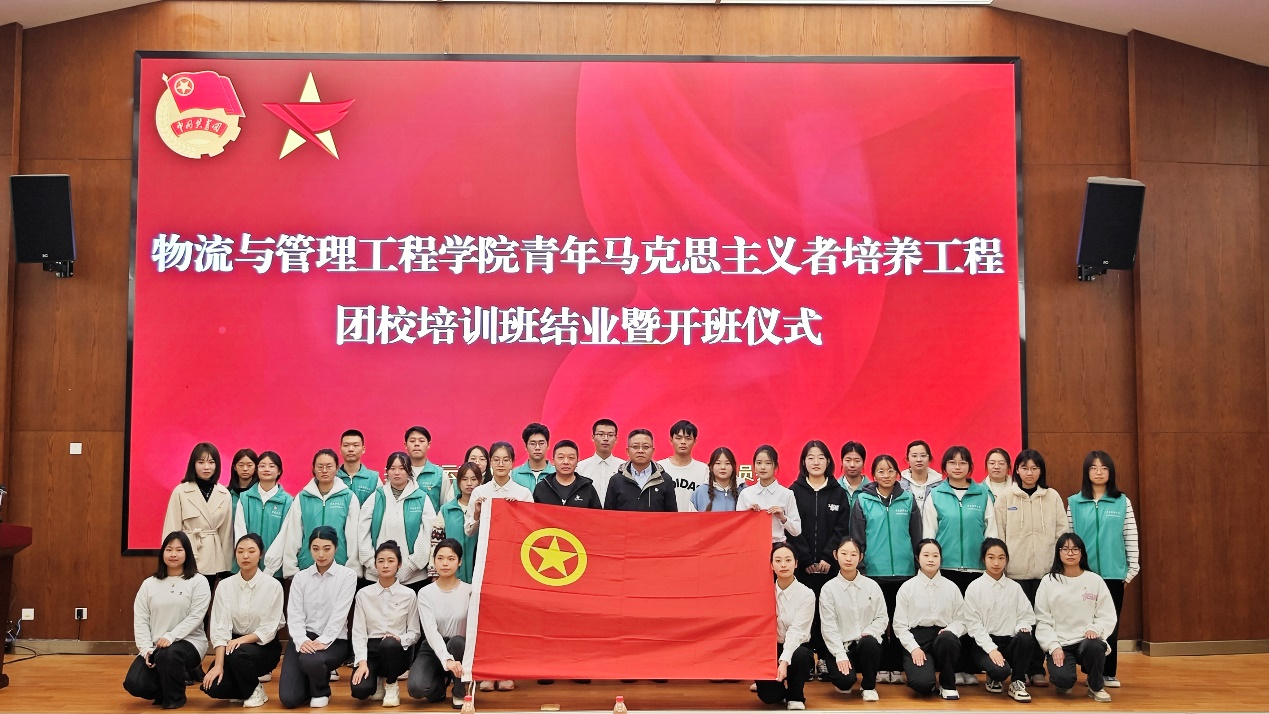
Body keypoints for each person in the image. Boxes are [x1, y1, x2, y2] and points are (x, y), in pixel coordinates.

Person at [993, 449, 1066, 687]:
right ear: (1017, 470)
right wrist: (1002, 567)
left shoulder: (1052, 497)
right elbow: (999, 534)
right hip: (1015, 573)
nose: (1029, 473)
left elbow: (1061, 532)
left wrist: (1057, 567)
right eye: (1024, 468)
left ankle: (1037, 669)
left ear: (1041, 471)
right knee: (1019, 624)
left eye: (1034, 468)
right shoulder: (1006, 497)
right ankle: (1019, 669)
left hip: (1046, 573)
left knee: (1042, 621)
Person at [1066, 450, 1138, 688]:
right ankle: (1089, 669)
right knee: (1084, 622)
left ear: (1111, 472)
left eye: (1104, 468)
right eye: (1093, 468)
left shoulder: (1122, 501)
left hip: (1113, 574)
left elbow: (1130, 536)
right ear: (1086, 472)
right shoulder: (1074, 502)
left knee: (1109, 623)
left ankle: (1107, 672)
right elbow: (1068, 539)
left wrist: (1130, 571)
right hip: (1083, 575)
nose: (1099, 472)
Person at [848, 454, 921, 684]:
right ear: (873, 475)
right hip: (874, 572)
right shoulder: (862, 500)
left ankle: (896, 666)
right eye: (881, 471)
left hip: (904, 572)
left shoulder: (908, 499)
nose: (886, 475)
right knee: (878, 623)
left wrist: (917, 563)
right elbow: (857, 538)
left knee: (900, 623)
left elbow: (916, 536)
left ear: (897, 474)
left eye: (890, 471)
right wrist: (861, 567)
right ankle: (879, 666)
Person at [124, 531, 210, 709]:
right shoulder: (149, 584)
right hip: (156, 646)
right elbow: (141, 619)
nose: (173, 554)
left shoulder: (198, 581)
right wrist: (146, 650)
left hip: (190, 642)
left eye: (179, 550)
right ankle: (166, 689)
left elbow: (196, 616)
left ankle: (175, 698)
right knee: (135, 683)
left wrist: (171, 636)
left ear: (187, 553)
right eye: (169, 549)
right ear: (162, 553)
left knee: (169, 654)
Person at [788, 440, 850, 681]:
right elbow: (791, 529)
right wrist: (804, 558)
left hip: (829, 567)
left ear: (828, 461)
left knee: (828, 614)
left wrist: (826, 557)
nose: (816, 462)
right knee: (803, 615)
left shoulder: (838, 493)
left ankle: (825, 658)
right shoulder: (793, 492)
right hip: (801, 567)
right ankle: (803, 661)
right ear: (803, 462)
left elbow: (841, 529)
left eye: (821, 457)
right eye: (811, 457)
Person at [201, 534, 285, 708]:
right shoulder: (225, 585)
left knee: (238, 652)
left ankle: (254, 690)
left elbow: (269, 629)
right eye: (240, 551)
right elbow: (220, 628)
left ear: (261, 554)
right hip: (231, 647)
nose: (245, 556)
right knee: (213, 687)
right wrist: (218, 665)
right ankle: (245, 688)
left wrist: (239, 641)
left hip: (264, 647)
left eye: (251, 551)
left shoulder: (273, 585)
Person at [279, 526, 357, 709]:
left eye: (326, 548)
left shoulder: (347, 576)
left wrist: (323, 640)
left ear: (336, 548)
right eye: (315, 549)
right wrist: (301, 640)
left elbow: (340, 614)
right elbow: (294, 614)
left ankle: (321, 690)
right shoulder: (300, 577)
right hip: (304, 638)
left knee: (311, 660)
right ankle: (310, 678)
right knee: (289, 699)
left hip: (334, 640)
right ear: (310, 549)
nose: (321, 554)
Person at [1035, 534, 1117, 703]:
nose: (1070, 553)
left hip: (1086, 640)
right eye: (1065, 549)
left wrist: (1095, 629)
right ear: (1058, 553)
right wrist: (1053, 646)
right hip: (1061, 643)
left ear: (1082, 553)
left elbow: (1107, 614)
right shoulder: (1048, 581)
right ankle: (1064, 679)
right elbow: (1042, 620)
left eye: (1075, 549)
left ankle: (1096, 686)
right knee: (1063, 681)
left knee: (1095, 645)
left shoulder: (1095, 580)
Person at [961, 538, 1038, 702]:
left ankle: (1017, 682)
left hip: (1009, 642)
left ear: (1007, 560)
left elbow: (1027, 616)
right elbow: (974, 625)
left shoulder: (1015, 587)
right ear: (984, 559)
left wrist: (1022, 627)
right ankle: (993, 676)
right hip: (983, 645)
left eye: (1001, 558)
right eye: (991, 557)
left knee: (1026, 638)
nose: (996, 563)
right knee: (1000, 672)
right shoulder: (974, 588)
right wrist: (991, 649)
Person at [264, 449, 361, 579]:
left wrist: (352, 569)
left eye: (329, 466)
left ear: (337, 468)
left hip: (339, 568)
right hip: (307, 566)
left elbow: (353, 536)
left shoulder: (348, 497)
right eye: (320, 467)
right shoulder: (302, 497)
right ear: (313, 469)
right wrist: (291, 567)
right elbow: (293, 533)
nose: (324, 470)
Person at [350, 541, 421, 707]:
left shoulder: (409, 594)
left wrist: (400, 639)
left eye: (391, 560)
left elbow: (415, 632)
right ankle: (376, 679)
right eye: (381, 561)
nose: (385, 565)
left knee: (389, 644)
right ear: (375, 565)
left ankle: (391, 684)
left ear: (399, 564)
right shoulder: (363, 594)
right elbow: (359, 632)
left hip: (397, 650)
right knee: (360, 691)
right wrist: (362, 662)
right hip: (371, 650)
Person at [893, 539, 965, 700]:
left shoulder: (952, 587)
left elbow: (962, 620)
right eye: (926, 555)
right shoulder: (907, 588)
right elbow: (899, 625)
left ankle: (948, 684)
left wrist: (950, 630)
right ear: (917, 558)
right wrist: (913, 648)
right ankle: (928, 679)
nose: (931, 559)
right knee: (922, 685)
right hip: (917, 639)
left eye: (935, 555)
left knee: (948, 639)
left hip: (943, 637)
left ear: (941, 558)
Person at [818, 537, 886, 702]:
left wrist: (869, 632)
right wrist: (840, 654)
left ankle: (869, 686)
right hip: (841, 646)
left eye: (853, 554)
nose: (848, 559)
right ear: (835, 555)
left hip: (865, 646)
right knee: (844, 683)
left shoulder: (872, 586)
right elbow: (829, 627)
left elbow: (882, 617)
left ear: (860, 557)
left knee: (869, 642)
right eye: (844, 554)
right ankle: (845, 677)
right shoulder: (828, 589)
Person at [358, 451, 438, 590]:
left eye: (402, 468)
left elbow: (427, 535)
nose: (397, 473)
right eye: (392, 468)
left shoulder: (422, 498)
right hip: (376, 577)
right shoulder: (376, 497)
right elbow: (362, 532)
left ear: (409, 471)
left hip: (414, 578)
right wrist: (374, 564)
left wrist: (410, 567)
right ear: (387, 471)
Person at [922, 446, 997, 593]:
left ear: (970, 466)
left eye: (962, 463)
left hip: (977, 567)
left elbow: (991, 531)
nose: (957, 467)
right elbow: (929, 533)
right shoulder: (935, 495)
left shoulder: (982, 494)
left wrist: (990, 559)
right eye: (952, 462)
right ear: (944, 466)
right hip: (944, 567)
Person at [410, 539, 474, 702]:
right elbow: (430, 631)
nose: (445, 563)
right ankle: (441, 683)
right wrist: (446, 660)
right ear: (434, 561)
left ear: (460, 562)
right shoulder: (425, 593)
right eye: (440, 558)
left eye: (451, 559)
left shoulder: (469, 591)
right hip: (433, 645)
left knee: (457, 642)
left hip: (460, 647)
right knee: (416, 688)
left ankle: (459, 691)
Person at [755, 543, 815, 711]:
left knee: (801, 655)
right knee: (769, 698)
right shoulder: (764, 592)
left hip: (797, 647)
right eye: (778, 560)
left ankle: (796, 695)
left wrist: (783, 661)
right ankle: (777, 688)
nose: (783, 565)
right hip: (771, 648)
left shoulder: (806, 594)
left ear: (796, 563)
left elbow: (797, 632)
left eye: (788, 560)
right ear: (771, 565)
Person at [163, 442, 234, 577]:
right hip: (186, 553)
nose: (206, 467)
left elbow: (226, 534)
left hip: (213, 557)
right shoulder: (181, 491)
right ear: (193, 464)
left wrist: (226, 566)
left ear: (217, 465)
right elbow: (171, 528)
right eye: (201, 462)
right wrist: (171, 556)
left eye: (211, 462)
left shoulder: (224, 494)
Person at [233, 451, 293, 576]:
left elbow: (284, 536)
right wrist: (246, 556)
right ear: (257, 469)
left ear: (279, 471)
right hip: (246, 567)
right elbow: (239, 530)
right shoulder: (245, 498)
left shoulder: (288, 501)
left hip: (274, 570)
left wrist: (270, 568)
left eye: (271, 466)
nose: (266, 469)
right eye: (262, 465)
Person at [465, 442, 534, 535]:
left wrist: (518, 510)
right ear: (490, 462)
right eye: (496, 460)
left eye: (506, 460)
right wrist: (477, 514)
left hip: (514, 543)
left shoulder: (524, 493)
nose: (501, 464)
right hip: (486, 543)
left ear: (512, 463)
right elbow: (468, 532)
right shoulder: (479, 492)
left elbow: (530, 528)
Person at [736, 445, 800, 542]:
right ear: (754, 466)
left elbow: (797, 531)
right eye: (759, 463)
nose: (763, 467)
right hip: (752, 545)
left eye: (768, 463)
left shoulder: (786, 494)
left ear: (775, 466)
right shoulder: (745, 494)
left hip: (777, 546)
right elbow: (738, 529)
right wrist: (747, 515)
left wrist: (783, 518)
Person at [604, 429, 678, 512]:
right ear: (628, 451)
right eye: (635, 447)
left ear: (653, 451)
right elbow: (608, 514)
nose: (640, 451)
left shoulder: (664, 479)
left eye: (646, 447)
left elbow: (671, 515)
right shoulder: (616, 480)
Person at [438, 463, 481, 583]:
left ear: (480, 482)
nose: (469, 483)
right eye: (464, 479)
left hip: (479, 574)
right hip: (451, 574)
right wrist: (434, 572)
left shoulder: (486, 508)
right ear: (458, 482)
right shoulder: (446, 509)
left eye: (473, 479)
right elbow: (436, 542)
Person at [657, 419, 709, 512]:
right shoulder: (659, 467)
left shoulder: (703, 469)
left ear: (695, 441)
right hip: (667, 520)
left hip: (694, 520)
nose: (683, 442)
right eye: (678, 438)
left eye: (688, 438)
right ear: (671, 440)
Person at [534, 440, 602, 508]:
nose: (566, 462)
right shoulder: (542, 487)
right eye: (561, 457)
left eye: (571, 458)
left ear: (577, 461)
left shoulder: (587, 488)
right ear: (553, 461)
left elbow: (597, 514)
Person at [575, 418, 625, 505]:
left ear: (616, 439)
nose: (605, 439)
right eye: (601, 434)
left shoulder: (624, 468)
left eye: (610, 435)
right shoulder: (580, 468)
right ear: (593, 437)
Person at [406, 426, 451, 511]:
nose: (416, 444)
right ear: (405, 445)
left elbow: (446, 507)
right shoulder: (399, 473)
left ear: (428, 445)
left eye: (421, 441)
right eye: (412, 441)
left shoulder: (440, 475)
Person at [688, 447, 741, 512]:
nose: (723, 467)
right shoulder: (700, 492)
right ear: (711, 467)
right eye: (718, 463)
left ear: (733, 467)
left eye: (727, 463)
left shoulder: (744, 491)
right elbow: (691, 517)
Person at [338, 429, 380, 505]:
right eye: (346, 445)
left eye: (356, 445)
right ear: (340, 449)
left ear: (363, 449)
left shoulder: (374, 479)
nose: (351, 449)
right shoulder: (333, 476)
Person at [899, 440, 942, 511]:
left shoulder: (940, 486)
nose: (919, 459)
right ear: (907, 459)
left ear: (929, 459)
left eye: (923, 455)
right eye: (914, 456)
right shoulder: (899, 487)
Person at [511, 423, 555, 490]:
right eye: (532, 444)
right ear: (525, 446)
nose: (537, 448)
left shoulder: (556, 474)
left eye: (541, 443)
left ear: (548, 445)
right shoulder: (514, 474)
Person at [229, 449, 260, 518]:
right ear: (235, 467)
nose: (245, 469)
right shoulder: (227, 493)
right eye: (241, 465)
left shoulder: (260, 492)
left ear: (256, 467)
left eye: (249, 465)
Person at [838, 442, 870, 509]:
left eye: (857, 461)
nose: (852, 465)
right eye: (848, 460)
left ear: (863, 463)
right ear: (841, 462)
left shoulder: (871, 490)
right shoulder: (834, 488)